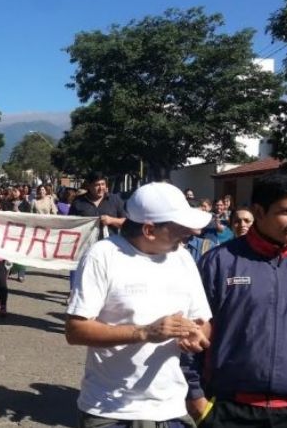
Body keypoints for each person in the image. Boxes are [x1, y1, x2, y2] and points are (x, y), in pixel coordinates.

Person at [185, 173, 287, 428]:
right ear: (259, 211)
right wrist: (195, 398)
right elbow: (190, 335)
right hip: (229, 411)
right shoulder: (219, 263)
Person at [66, 182, 212, 427]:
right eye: (180, 227)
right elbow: (75, 330)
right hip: (111, 411)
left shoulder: (183, 258)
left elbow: (202, 321)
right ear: (149, 230)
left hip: (170, 410)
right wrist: (144, 332)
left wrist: (196, 335)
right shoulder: (104, 255)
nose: (191, 232)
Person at [68, 171, 127, 290]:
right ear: (89, 186)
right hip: (85, 251)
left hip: (110, 251)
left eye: (103, 184)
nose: (101, 188)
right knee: (87, 283)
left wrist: (111, 220)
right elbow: (70, 225)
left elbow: (128, 223)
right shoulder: (78, 202)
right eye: (97, 185)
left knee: (108, 283)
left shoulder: (115, 200)